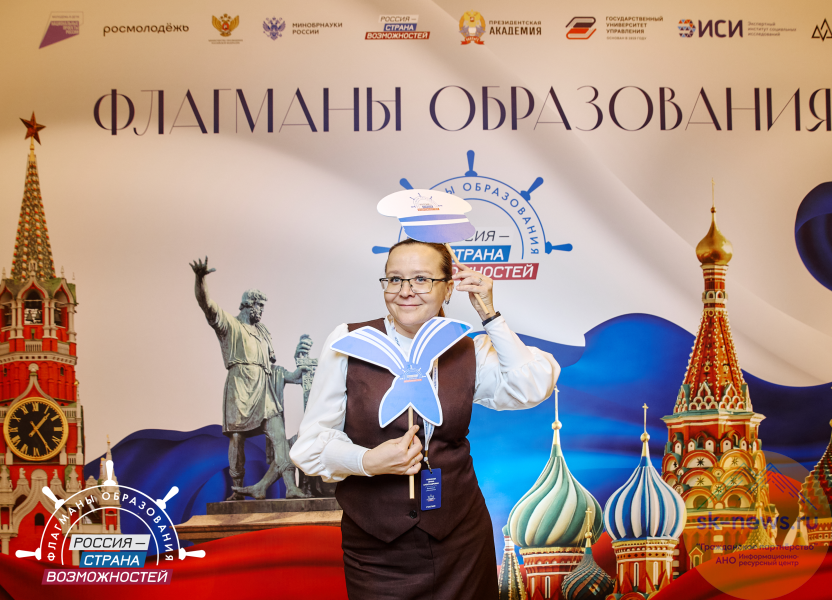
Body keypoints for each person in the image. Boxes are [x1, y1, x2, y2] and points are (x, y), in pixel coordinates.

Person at [290, 239, 559, 600]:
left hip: (462, 539)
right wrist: (367, 461)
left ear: (448, 288)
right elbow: (310, 445)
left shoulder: (468, 348)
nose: (406, 291)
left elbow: (531, 386)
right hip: (376, 549)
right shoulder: (350, 342)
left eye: (421, 279)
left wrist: (490, 315)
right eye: (394, 279)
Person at [190, 257, 311, 500]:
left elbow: (274, 368)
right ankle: (237, 489)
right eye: (260, 306)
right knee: (237, 439)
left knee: (279, 436)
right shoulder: (230, 326)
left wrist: (297, 370)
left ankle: (291, 488)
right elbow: (207, 306)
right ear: (248, 305)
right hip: (240, 387)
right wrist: (200, 279)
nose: (262, 311)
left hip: (264, 389)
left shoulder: (262, 331)